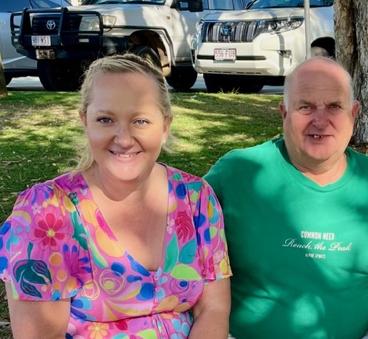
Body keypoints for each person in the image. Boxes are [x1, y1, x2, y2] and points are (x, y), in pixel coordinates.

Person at [0, 54, 232, 338]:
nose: (123, 138)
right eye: (106, 119)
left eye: (141, 121)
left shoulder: (197, 198)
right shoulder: (45, 212)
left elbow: (214, 309)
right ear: (85, 121)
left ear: (165, 125)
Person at [204, 57, 368, 339]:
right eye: (305, 107)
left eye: (335, 106)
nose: (320, 120)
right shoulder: (237, 173)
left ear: (354, 113)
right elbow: (177, 240)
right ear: (283, 112)